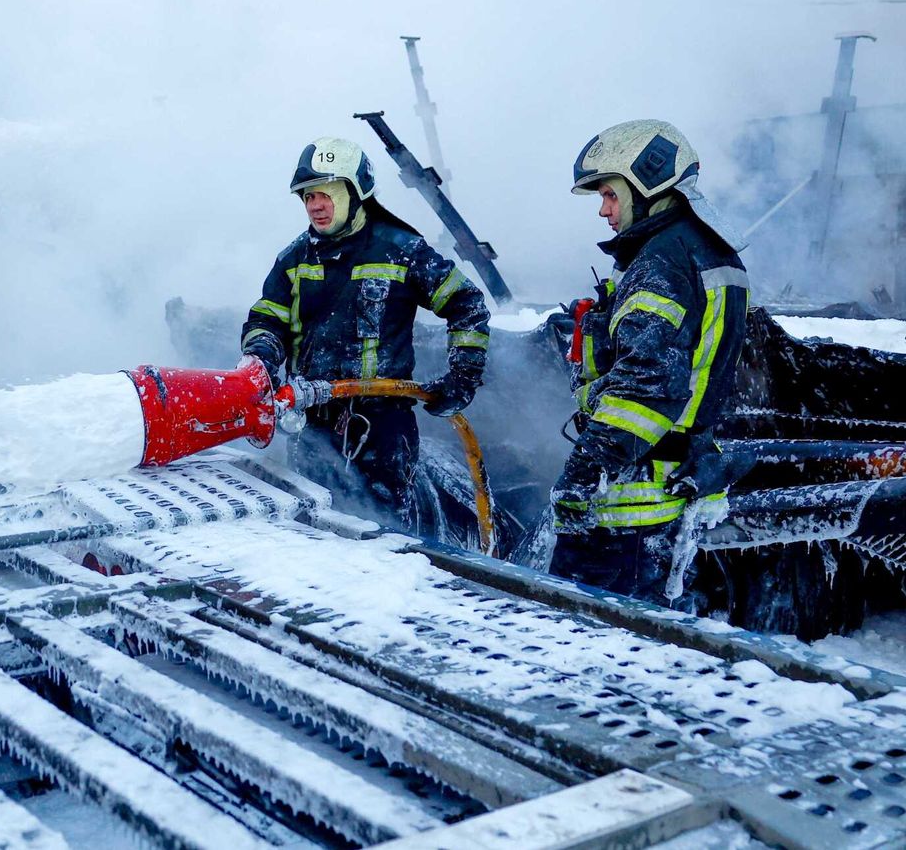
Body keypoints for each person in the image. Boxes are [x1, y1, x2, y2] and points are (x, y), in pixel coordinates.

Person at [548, 119, 750, 607]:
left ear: (648, 181)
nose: (604, 210)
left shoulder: (659, 262)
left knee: (576, 643)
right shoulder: (703, 249)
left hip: (628, 507)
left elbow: (648, 384)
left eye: (610, 195)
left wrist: (583, 473)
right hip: (675, 486)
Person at [240, 137, 490, 530]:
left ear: (356, 193)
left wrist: (462, 377)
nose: (315, 206)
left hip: (381, 429)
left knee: (381, 539)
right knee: (311, 531)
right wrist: (261, 360)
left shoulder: (401, 251)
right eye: (307, 196)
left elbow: (467, 305)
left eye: (326, 193)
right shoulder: (293, 259)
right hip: (312, 426)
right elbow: (266, 320)